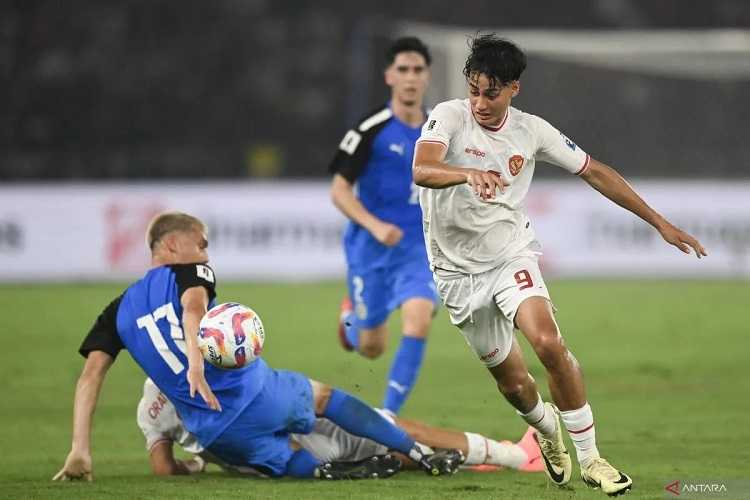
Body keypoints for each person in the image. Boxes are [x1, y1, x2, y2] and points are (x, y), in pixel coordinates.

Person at [412, 35, 707, 497]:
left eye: (491, 92)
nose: (479, 102)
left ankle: (592, 459)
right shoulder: (447, 116)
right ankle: (547, 431)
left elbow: (594, 170)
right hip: (455, 275)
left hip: (510, 255)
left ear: (514, 89)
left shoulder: (532, 131)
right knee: (513, 384)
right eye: (474, 90)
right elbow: (422, 168)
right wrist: (467, 173)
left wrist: (660, 223)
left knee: (548, 341)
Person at [52, 211, 461, 482]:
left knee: (282, 460)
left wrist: (79, 450)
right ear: (173, 245)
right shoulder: (189, 271)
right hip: (251, 392)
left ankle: (323, 471)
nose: (207, 252)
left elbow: (90, 376)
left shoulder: (115, 312)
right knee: (325, 398)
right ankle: (419, 452)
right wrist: (196, 361)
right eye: (202, 242)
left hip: (214, 431)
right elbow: (193, 308)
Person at [328, 36, 438, 416]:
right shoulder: (370, 128)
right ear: (389, 76)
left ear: (427, 77)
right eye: (403, 70)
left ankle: (388, 416)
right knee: (371, 345)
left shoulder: (441, 130)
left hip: (418, 249)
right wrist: (374, 226)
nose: (410, 78)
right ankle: (351, 320)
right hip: (371, 247)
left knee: (419, 320)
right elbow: (339, 191)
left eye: (418, 70)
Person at [137, 377, 544, 477]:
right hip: (303, 435)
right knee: (399, 429)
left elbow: (161, 467)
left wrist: (193, 465)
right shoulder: (210, 374)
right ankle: (517, 457)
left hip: (268, 465)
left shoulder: (150, 407)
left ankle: (475, 461)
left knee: (391, 456)